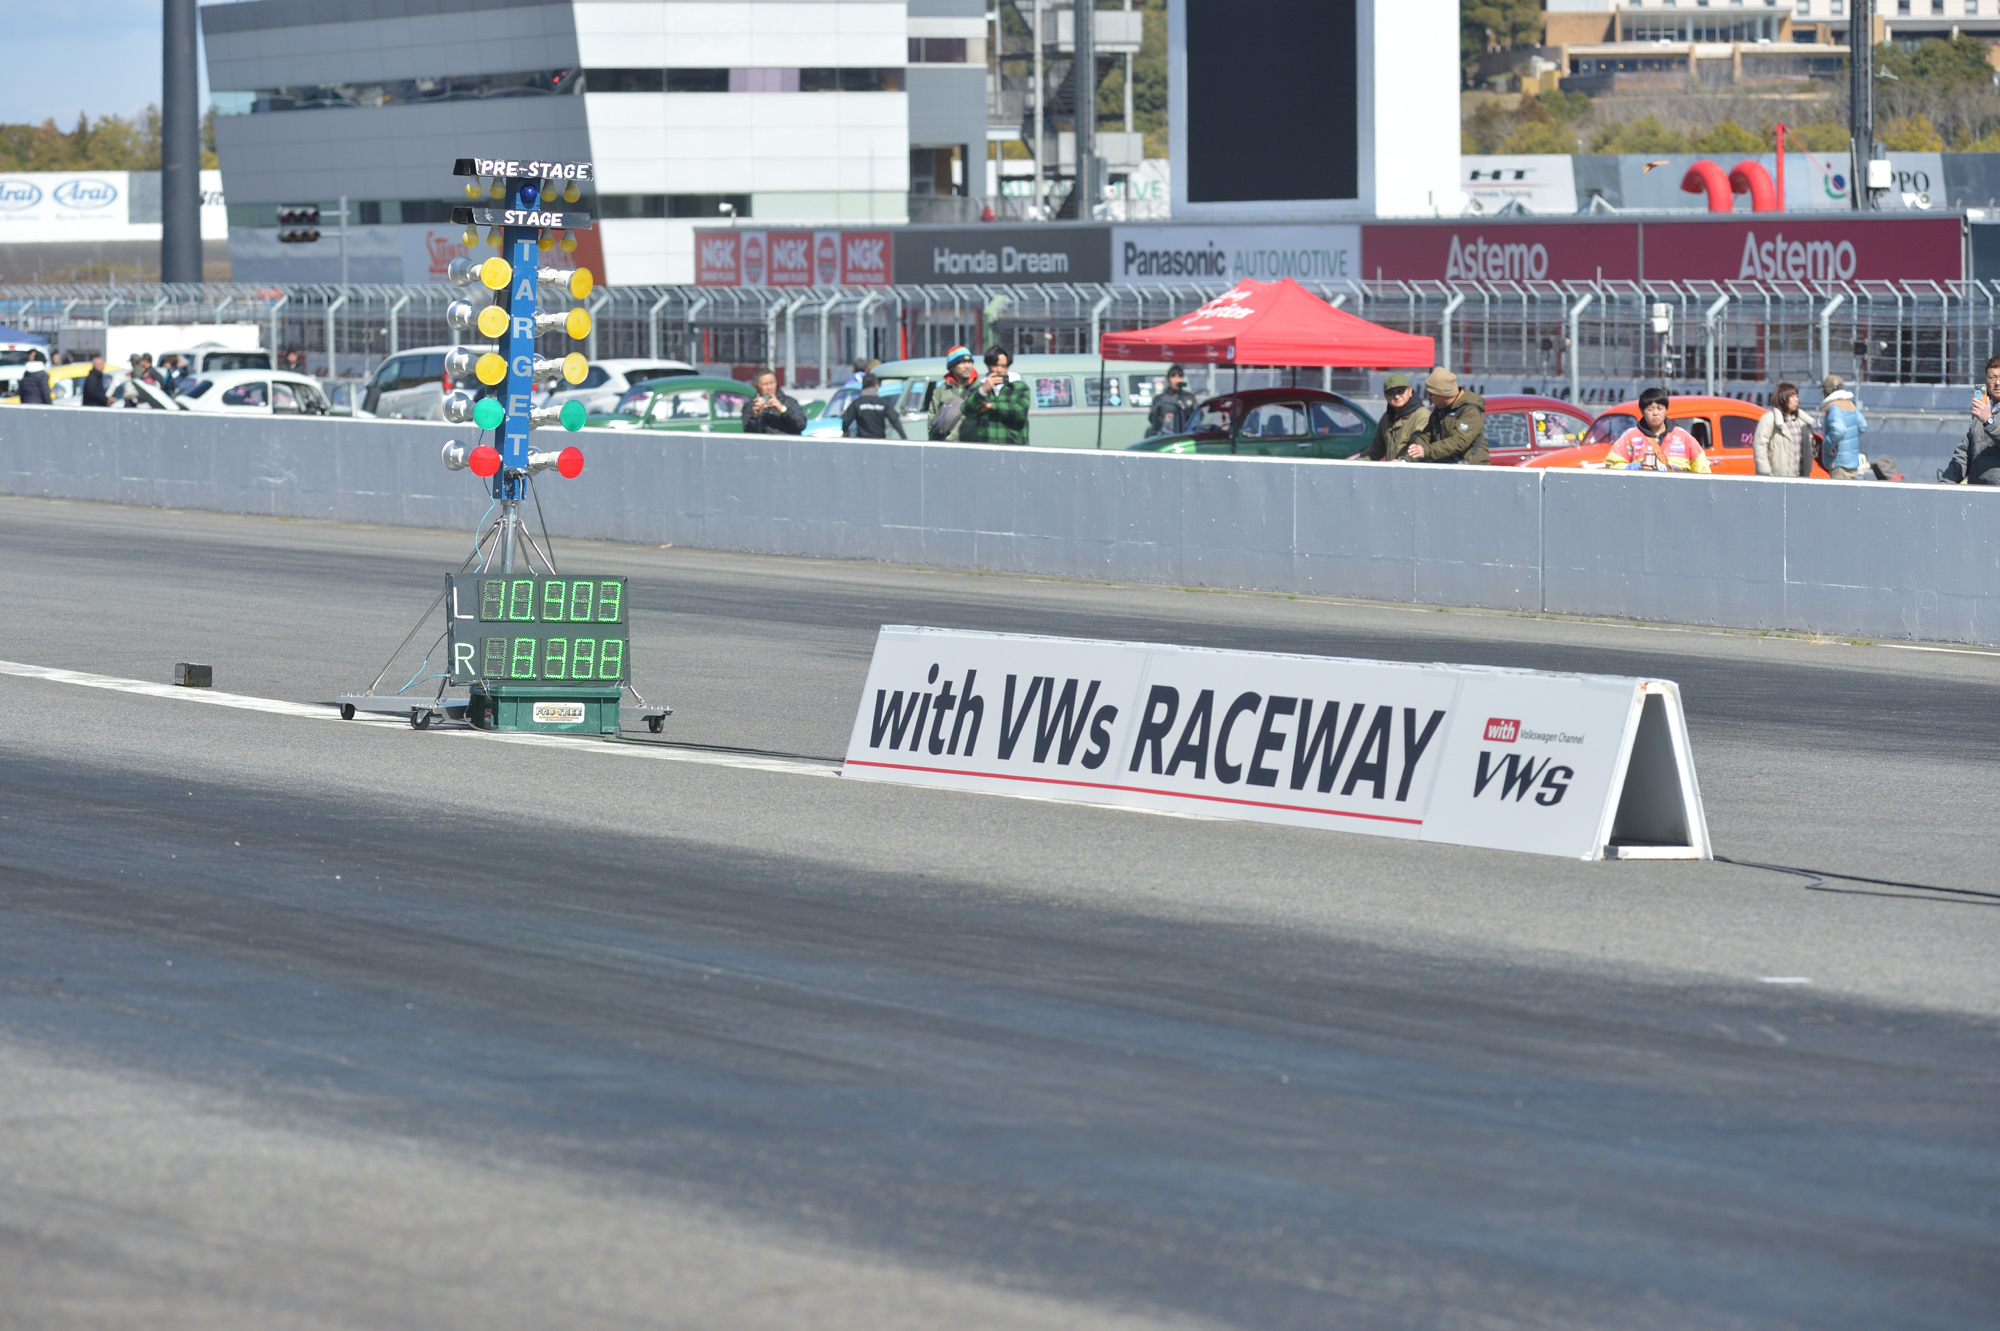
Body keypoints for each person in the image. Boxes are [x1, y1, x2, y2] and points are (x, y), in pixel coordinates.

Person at [1605, 387, 1709, 473]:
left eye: (1660, 408)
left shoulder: (1684, 437)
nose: (1655, 413)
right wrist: (1636, 467)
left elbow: (1703, 472)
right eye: (1650, 409)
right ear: (1642, 411)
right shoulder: (1629, 437)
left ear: (1666, 410)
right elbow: (1612, 465)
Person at [1404, 367, 1488, 464]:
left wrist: (1427, 451)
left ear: (1440, 394)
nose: (1429, 397)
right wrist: (1406, 459)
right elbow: (1426, 436)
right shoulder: (1441, 410)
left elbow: (1459, 441)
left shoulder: (1470, 410)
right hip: (1447, 466)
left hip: (1470, 468)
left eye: (1430, 394)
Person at [1944, 354, 2000, 485]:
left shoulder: (1985, 416)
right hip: (1976, 490)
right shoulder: (1982, 410)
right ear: (1986, 380)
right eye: (1992, 377)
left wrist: (1989, 421)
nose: (1997, 383)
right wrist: (1946, 482)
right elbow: (1965, 452)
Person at [960, 345, 1031, 446]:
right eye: (995, 365)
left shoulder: (1018, 386)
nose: (999, 370)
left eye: (1004, 366)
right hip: (986, 445)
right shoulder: (979, 387)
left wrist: (991, 406)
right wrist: (983, 391)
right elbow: (967, 411)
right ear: (988, 365)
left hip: (1013, 445)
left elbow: (1020, 412)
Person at [1752, 381, 1814, 478]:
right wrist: (1766, 474)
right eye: (1792, 396)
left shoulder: (1801, 422)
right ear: (1782, 398)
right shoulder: (1769, 419)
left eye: (1796, 396)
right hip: (1777, 479)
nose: (1796, 399)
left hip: (1799, 478)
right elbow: (1760, 447)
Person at [1367, 372, 1429, 461]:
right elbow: (1376, 449)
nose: (1396, 396)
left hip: (1413, 468)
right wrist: (1355, 463)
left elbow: (1420, 447)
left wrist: (1403, 462)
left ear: (1410, 391)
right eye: (1391, 393)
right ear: (1386, 396)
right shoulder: (1387, 418)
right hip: (1393, 469)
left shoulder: (1422, 416)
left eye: (1401, 391)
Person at [1819, 373, 1866, 479]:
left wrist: (1827, 446)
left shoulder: (1833, 407)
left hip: (1838, 463)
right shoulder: (1850, 404)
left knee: (1838, 489)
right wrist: (1851, 435)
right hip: (1853, 462)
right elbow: (1863, 426)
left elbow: (1839, 431)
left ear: (1827, 391)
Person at [928, 345, 980, 441]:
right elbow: (932, 419)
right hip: (947, 444)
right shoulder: (940, 391)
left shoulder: (981, 387)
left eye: (969, 362)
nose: (967, 366)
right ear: (952, 367)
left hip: (974, 444)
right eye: (962, 362)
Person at [841, 372, 906, 440]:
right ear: (876, 386)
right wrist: (904, 437)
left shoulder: (856, 403)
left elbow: (846, 421)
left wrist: (846, 432)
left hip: (862, 441)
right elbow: (894, 420)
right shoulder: (883, 403)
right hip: (880, 441)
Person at [740, 368, 805, 434]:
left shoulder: (789, 402)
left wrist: (782, 410)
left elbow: (801, 425)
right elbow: (749, 434)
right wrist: (755, 418)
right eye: (765, 384)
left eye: (772, 383)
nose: (769, 388)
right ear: (756, 386)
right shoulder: (750, 407)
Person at [1147, 364, 1199, 437]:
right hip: (1166, 436)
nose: (1176, 380)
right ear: (1168, 379)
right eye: (1173, 376)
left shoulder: (1189, 397)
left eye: (1180, 376)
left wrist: (1185, 416)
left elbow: (1198, 416)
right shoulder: (1160, 398)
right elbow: (1152, 417)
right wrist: (1163, 419)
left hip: (1185, 435)